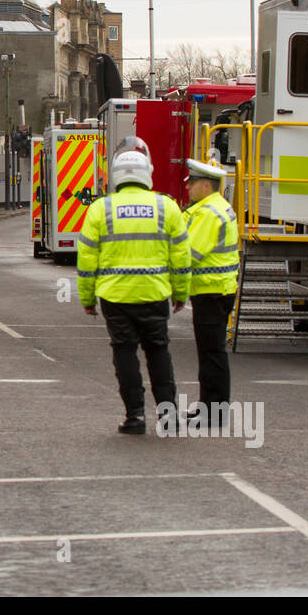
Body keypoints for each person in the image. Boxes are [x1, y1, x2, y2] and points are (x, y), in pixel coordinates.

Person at [78, 150, 190, 434]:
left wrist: (87, 298)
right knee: (158, 351)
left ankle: (135, 417)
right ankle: (168, 416)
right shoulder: (167, 207)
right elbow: (181, 258)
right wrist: (180, 294)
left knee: (125, 353)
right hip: (154, 294)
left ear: (116, 175)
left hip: (115, 297)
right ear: (147, 173)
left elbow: (87, 260)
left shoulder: (99, 209)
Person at [182, 158, 239, 426]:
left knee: (211, 354)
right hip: (218, 291)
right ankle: (210, 407)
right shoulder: (216, 207)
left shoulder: (207, 214)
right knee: (210, 352)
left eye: (192, 183)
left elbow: (189, 253)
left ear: (206, 185)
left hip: (210, 292)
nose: (189, 188)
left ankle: (214, 412)